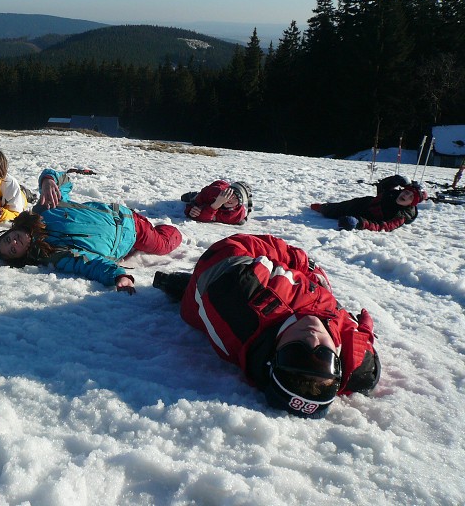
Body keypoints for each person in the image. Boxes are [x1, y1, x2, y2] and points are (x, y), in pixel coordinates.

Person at [153, 234, 380, 418]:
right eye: (324, 356)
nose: (312, 339)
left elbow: (228, 250)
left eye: (295, 353)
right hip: (238, 285)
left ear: (273, 355)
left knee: (199, 284)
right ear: (338, 365)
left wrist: (303, 264)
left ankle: (178, 286)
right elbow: (364, 366)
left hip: (212, 284)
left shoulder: (238, 294)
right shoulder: (359, 366)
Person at [0, 168, 182, 293]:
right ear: (22, 256)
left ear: (11, 231)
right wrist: (119, 276)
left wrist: (48, 181)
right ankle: (171, 230)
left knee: (156, 233)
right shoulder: (54, 254)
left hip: (122, 214)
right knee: (165, 243)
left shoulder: (45, 209)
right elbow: (90, 263)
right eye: (13, 250)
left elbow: (64, 181)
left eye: (8, 239)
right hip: (133, 236)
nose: (14, 242)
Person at [311, 174, 426, 231]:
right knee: (336, 208)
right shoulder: (394, 194)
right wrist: (394, 180)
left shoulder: (401, 216)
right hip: (362, 203)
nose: (405, 195)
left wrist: (359, 223)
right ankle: (322, 208)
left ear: (411, 203)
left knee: (345, 218)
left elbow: (383, 227)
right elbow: (383, 186)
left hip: (365, 218)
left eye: (410, 197)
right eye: (406, 192)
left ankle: (327, 210)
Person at [181, 180, 251, 225]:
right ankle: (194, 195)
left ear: (240, 203)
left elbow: (204, 218)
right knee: (192, 198)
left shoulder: (234, 215)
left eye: (236, 198)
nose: (231, 199)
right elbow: (195, 204)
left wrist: (216, 205)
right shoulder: (214, 192)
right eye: (230, 194)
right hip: (214, 188)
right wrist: (191, 209)